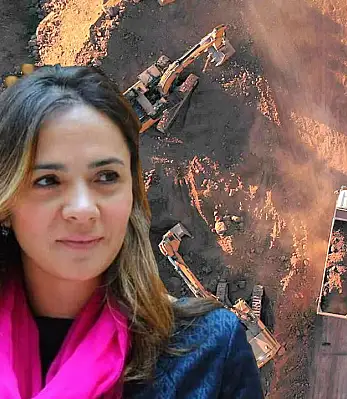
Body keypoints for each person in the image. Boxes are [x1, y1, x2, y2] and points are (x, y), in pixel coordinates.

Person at [0, 65, 264, 398]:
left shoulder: (210, 352)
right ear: (6, 204)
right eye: (48, 181)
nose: (83, 209)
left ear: (133, 195)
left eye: (107, 177)